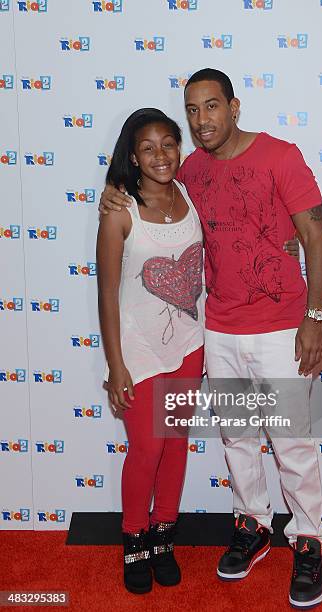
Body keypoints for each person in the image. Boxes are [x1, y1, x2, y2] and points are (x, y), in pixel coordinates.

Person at [99, 68, 322, 610]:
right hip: (219, 330)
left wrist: (315, 316)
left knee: (291, 442)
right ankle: (252, 526)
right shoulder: (190, 173)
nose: (202, 121)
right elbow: (146, 197)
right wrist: (114, 193)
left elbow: (315, 235)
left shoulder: (280, 155)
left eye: (212, 107)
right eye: (193, 111)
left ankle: (309, 540)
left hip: (281, 328)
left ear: (234, 106)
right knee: (238, 439)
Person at [96, 108, 205, 595]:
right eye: (148, 147)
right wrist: (115, 362)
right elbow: (107, 293)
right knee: (147, 448)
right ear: (133, 156)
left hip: (189, 347)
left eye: (169, 143)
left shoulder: (190, 193)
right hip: (139, 352)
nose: (160, 155)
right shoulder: (120, 211)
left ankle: (164, 535)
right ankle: (134, 538)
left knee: (176, 445)